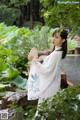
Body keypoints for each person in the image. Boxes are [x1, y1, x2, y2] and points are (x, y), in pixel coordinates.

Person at [27, 28, 68, 118]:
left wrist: (34, 62)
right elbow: (49, 60)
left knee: (44, 109)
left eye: (57, 37)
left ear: (63, 40)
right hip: (52, 83)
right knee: (47, 108)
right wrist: (41, 58)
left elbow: (46, 70)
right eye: (53, 36)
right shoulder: (57, 51)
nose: (53, 39)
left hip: (50, 85)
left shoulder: (56, 54)